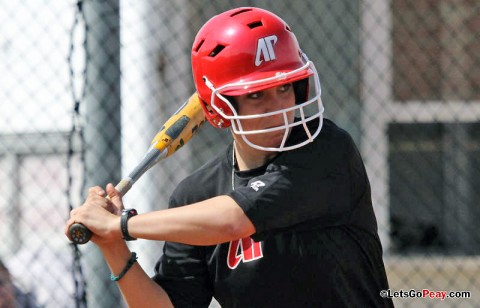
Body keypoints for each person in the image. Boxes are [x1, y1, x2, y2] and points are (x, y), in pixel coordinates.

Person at [65, 7, 394, 307]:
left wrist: (121, 224)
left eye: (285, 86)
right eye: (256, 95)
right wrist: (111, 243)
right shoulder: (196, 196)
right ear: (219, 107)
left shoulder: (327, 151)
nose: (279, 106)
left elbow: (233, 219)